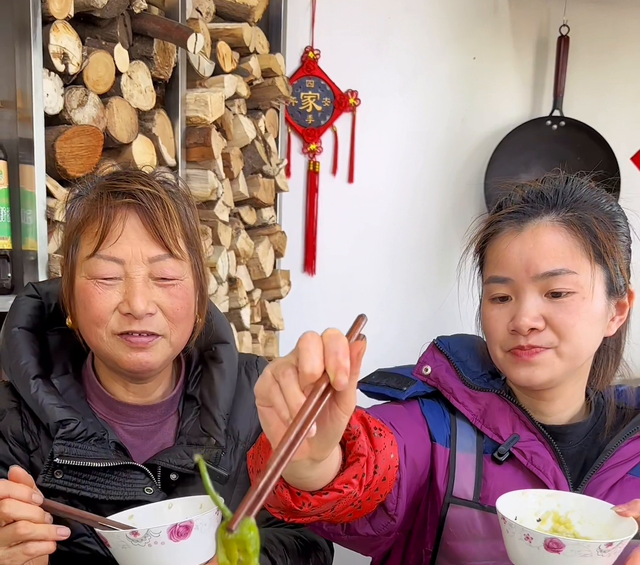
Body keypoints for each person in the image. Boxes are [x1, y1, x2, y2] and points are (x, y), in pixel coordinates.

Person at [249, 172, 640, 565]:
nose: (523, 319)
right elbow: (371, 457)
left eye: (556, 293)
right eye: (501, 296)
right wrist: (314, 463)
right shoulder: (436, 426)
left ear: (617, 310)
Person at [0, 169, 334, 565]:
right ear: (68, 295)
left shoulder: (259, 395)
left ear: (198, 294)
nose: (138, 304)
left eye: (165, 275)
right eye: (108, 276)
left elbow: (310, 540)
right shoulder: (13, 419)